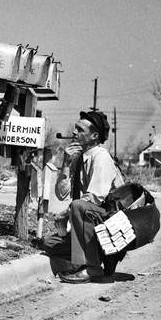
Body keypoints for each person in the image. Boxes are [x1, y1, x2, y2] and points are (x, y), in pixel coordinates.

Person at [44, 110, 125, 283]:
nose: (74, 133)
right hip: (91, 221)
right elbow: (62, 193)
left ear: (94, 135)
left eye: (80, 130)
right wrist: (66, 163)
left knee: (78, 206)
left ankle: (92, 267)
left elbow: (95, 198)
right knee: (50, 244)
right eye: (75, 128)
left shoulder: (100, 156)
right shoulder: (80, 157)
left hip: (108, 221)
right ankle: (91, 257)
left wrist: (66, 213)